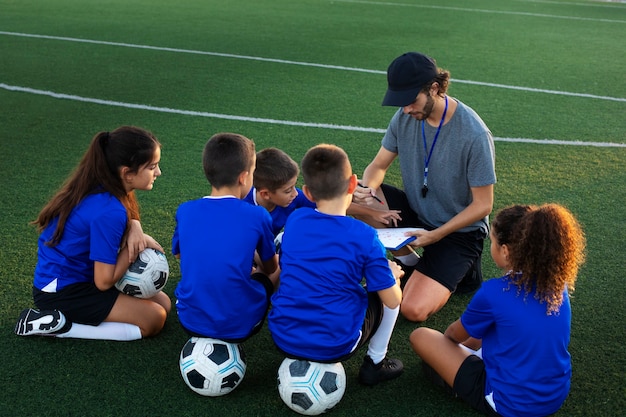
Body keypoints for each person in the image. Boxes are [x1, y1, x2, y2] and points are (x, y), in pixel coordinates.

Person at [353, 51, 496, 322]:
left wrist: (437, 235)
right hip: (418, 212)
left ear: (434, 88)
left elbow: (483, 205)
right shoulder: (404, 117)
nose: (406, 109)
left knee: (412, 310)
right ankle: (414, 264)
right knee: (356, 200)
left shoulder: (474, 134)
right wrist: (367, 188)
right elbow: (378, 166)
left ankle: (464, 269)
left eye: (410, 101)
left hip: (459, 230)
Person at [410, 203, 586, 417]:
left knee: (422, 337)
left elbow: (453, 336)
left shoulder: (494, 292)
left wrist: (449, 353)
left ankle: (458, 384)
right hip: (554, 396)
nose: (490, 245)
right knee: (494, 330)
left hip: (509, 404)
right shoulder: (559, 286)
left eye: (492, 240)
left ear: (505, 250)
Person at [14, 126, 171, 341]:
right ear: (127, 172)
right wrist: (133, 248)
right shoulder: (109, 211)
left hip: (81, 276)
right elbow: (104, 282)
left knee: (164, 303)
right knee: (154, 318)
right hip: (63, 293)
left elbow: (127, 208)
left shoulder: (106, 182)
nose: (158, 172)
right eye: (152, 166)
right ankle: (58, 325)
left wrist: (135, 225)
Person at [268, 144, 405, 386]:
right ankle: (375, 364)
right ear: (353, 183)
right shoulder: (363, 235)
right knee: (389, 288)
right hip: (336, 343)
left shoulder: (297, 219)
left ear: (307, 193)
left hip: (283, 337)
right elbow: (392, 300)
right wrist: (391, 276)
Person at [172, 132, 278, 343]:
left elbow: (180, 255)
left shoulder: (186, 210)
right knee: (282, 266)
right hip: (239, 325)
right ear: (243, 177)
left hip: (189, 319)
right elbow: (270, 268)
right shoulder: (257, 215)